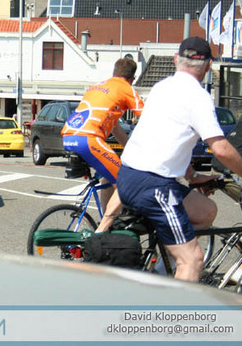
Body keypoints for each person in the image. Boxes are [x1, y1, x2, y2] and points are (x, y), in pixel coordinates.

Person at [116, 37, 242, 282]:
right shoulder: (198, 97)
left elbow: (170, 138)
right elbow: (221, 149)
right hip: (154, 185)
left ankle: (163, 276)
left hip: (130, 174)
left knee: (206, 211)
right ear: (208, 67)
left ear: (176, 60)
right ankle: (175, 316)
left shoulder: (162, 87)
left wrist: (193, 176)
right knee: (192, 259)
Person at [61, 58, 144, 217]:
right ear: (132, 78)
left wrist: (131, 149)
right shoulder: (126, 89)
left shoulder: (96, 87)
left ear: (114, 73)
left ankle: (106, 219)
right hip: (89, 139)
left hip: (69, 136)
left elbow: (116, 129)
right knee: (123, 181)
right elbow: (148, 118)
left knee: (108, 177)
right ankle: (106, 227)